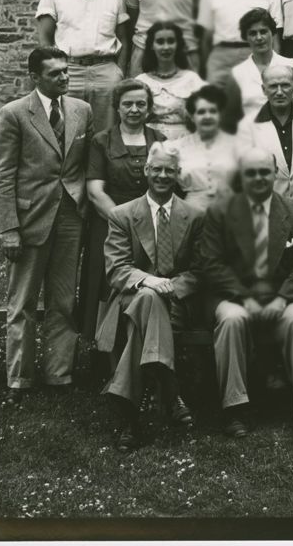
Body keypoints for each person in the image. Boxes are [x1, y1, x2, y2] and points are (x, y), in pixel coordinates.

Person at [198, 148, 293, 440]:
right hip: (234, 296)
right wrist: (243, 296)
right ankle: (234, 408)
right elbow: (212, 264)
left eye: (264, 171)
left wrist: (283, 298)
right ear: (242, 176)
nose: (259, 178)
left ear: (275, 174)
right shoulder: (219, 212)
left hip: (279, 296)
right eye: (251, 172)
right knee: (231, 321)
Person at [0, 47, 93, 403]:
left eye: (66, 71)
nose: (64, 77)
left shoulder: (82, 110)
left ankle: (59, 375)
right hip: (30, 219)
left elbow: (83, 166)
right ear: (35, 77)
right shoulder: (15, 113)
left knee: (64, 301)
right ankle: (19, 380)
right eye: (55, 74)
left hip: (69, 218)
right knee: (22, 303)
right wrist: (9, 229)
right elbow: (1, 175)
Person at [95, 142, 203, 451]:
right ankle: (170, 391)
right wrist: (150, 281)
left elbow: (199, 271)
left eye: (170, 170)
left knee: (151, 301)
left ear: (178, 174)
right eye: (156, 169)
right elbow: (116, 270)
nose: (162, 175)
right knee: (147, 298)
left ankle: (127, 416)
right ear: (146, 171)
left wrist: (170, 286)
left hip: (176, 303)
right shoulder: (122, 215)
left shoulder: (194, 216)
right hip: (130, 301)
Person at [81, 79, 164, 341]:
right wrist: (125, 222)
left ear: (149, 108)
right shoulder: (101, 141)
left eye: (141, 104)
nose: (134, 109)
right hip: (108, 224)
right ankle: (104, 350)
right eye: (127, 104)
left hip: (152, 226)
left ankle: (144, 345)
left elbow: (166, 185)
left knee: (146, 285)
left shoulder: (160, 141)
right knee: (106, 285)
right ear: (117, 108)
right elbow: (95, 192)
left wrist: (145, 223)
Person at [35, 0, 129, 133]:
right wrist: (54, 71)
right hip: (69, 71)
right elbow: (45, 38)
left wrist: (118, 72)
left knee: (107, 133)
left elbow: (123, 38)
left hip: (106, 71)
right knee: (69, 132)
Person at [236, 64, 293, 206]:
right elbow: (246, 176)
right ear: (264, 90)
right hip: (267, 210)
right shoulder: (247, 126)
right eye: (273, 86)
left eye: (285, 85)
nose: (280, 92)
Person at [224, 8, 293, 130]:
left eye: (263, 31)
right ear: (245, 37)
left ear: (272, 33)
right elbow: (230, 122)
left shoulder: (292, 66)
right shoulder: (237, 74)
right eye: (252, 33)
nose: (259, 37)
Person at [173, 84, 241, 213]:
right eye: (201, 112)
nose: (207, 116)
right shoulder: (177, 147)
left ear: (220, 114)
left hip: (229, 211)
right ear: (192, 117)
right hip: (190, 212)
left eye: (213, 111)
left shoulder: (237, 144)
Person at [136, 20, 207, 140]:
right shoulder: (141, 81)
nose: (166, 47)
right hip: (149, 142)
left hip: (186, 141)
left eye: (171, 41)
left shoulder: (192, 79)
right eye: (160, 42)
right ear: (152, 46)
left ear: (178, 44)